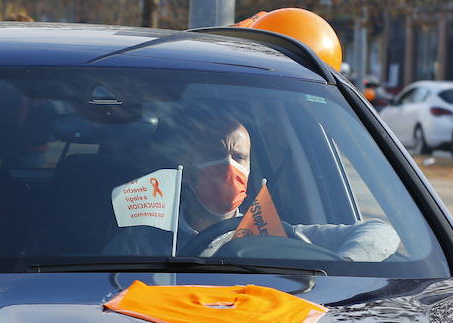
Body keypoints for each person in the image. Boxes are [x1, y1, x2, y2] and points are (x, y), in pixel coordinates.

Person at [105, 110, 400, 261]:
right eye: (215, 155)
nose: (228, 166)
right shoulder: (142, 240)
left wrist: (341, 265)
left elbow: (381, 232)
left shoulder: (276, 235)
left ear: (248, 169)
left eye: (238, 157)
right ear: (189, 170)